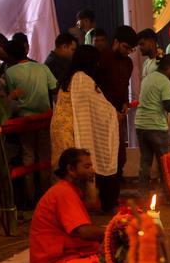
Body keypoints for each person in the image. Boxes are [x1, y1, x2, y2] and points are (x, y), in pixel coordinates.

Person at [28, 148, 105, 263]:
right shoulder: (63, 192)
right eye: (87, 167)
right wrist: (115, 231)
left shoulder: (69, 190)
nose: (92, 171)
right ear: (71, 169)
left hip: (68, 258)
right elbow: (84, 232)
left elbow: (92, 204)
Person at [50, 45, 120, 185]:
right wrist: (113, 112)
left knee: (64, 168)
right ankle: (74, 201)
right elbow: (97, 107)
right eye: (96, 61)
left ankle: (63, 200)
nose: (98, 64)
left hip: (60, 128)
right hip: (71, 130)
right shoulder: (82, 79)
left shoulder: (69, 76)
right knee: (73, 169)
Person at [4, 39, 57, 211]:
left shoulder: (10, 73)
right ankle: (46, 195)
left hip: (24, 120)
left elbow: (12, 96)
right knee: (44, 157)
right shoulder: (42, 68)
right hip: (44, 119)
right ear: (26, 50)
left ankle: (30, 197)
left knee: (28, 158)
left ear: (10, 55)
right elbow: (54, 87)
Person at [94, 25, 137, 212]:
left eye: (131, 49)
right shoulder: (101, 59)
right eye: (126, 47)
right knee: (106, 158)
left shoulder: (128, 63)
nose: (128, 52)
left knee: (120, 157)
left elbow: (124, 86)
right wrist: (111, 112)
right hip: (102, 117)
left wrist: (125, 103)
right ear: (116, 42)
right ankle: (105, 202)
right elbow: (96, 90)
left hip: (118, 116)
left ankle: (113, 198)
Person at [135, 54, 170, 199]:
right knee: (163, 164)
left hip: (141, 124)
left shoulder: (148, 77)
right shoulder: (165, 82)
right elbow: (168, 105)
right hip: (156, 127)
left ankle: (143, 194)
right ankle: (167, 194)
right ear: (168, 68)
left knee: (145, 162)